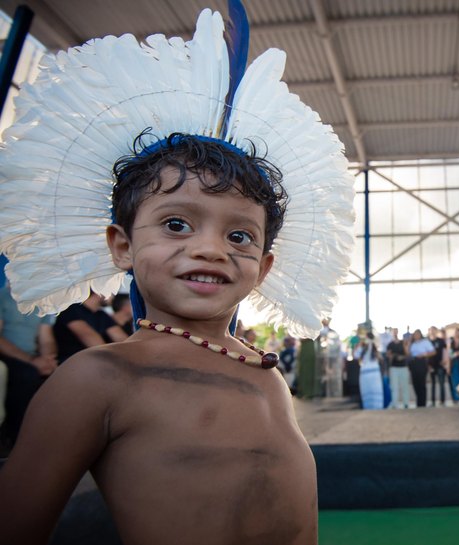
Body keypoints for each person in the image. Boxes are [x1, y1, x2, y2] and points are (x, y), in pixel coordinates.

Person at [0, 4, 354, 544]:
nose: (210, 249)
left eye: (239, 236)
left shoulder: (267, 374)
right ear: (121, 245)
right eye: (176, 223)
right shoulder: (96, 379)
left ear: (263, 269)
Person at [0, 280, 57, 449]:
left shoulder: (41, 303)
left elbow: (46, 338)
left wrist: (49, 359)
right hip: (7, 357)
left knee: (61, 375)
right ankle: (16, 439)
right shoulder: (2, 297)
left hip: (32, 359)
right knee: (27, 375)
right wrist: (32, 361)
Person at [53, 292, 128, 364]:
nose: (114, 295)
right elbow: (90, 338)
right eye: (111, 290)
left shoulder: (101, 315)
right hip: (69, 363)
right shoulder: (71, 309)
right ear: (99, 290)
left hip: (93, 363)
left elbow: (121, 338)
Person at [354, 333, 383, 410]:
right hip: (370, 371)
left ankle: (374, 406)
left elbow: (356, 355)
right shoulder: (371, 345)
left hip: (369, 371)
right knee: (370, 389)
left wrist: (359, 345)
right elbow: (356, 356)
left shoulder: (372, 346)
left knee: (372, 388)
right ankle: (373, 406)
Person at [406, 329, 435, 408]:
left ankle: (423, 403)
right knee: (415, 383)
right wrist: (408, 344)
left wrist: (424, 355)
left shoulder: (425, 342)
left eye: (417, 334)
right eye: (415, 334)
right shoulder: (412, 344)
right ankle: (419, 402)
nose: (416, 336)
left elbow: (433, 352)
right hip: (413, 363)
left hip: (421, 362)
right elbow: (408, 353)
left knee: (422, 383)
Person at [386, 328, 410, 409]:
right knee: (394, 387)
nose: (395, 333)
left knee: (405, 386)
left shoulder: (403, 343)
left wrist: (402, 356)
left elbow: (407, 354)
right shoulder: (390, 344)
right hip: (394, 367)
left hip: (403, 367)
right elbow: (388, 355)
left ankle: (406, 403)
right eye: (394, 332)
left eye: (396, 331)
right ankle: (395, 404)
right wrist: (393, 356)